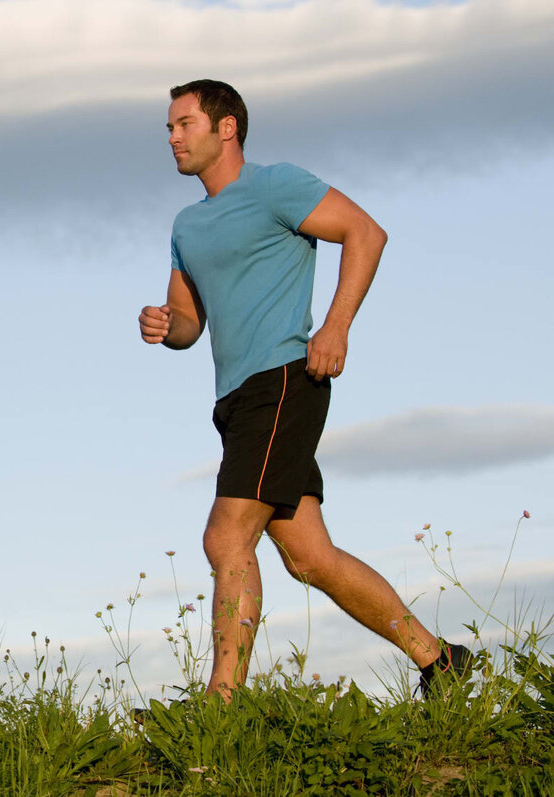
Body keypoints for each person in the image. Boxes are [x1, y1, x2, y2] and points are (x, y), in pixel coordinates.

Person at [138, 79, 470, 699]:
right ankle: (439, 660)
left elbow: (366, 232)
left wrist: (336, 326)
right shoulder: (187, 224)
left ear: (226, 128)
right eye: (169, 128)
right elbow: (188, 322)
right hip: (235, 401)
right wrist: (164, 323)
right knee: (310, 558)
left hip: (285, 380)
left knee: (225, 537)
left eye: (184, 124)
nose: (173, 137)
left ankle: (220, 706)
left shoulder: (275, 186)